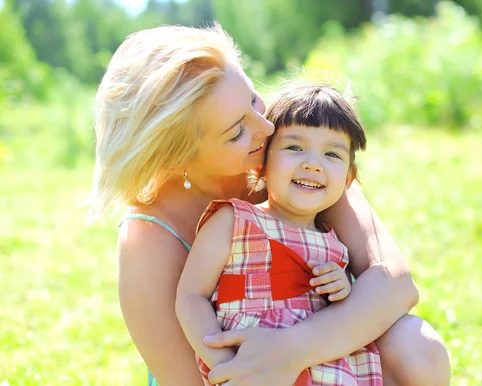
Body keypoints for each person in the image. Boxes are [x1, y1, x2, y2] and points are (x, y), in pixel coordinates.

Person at [90, 24, 450, 386]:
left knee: (416, 346)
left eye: (251, 98)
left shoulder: (299, 143)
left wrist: (291, 349)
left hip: (321, 360)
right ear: (177, 156)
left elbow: (395, 284)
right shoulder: (149, 240)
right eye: (236, 132)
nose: (265, 126)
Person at [177, 83, 383, 385]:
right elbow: (191, 296)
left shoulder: (335, 243)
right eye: (295, 148)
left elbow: (337, 322)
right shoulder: (234, 221)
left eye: (332, 154)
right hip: (250, 369)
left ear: (348, 178)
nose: (312, 164)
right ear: (262, 164)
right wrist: (225, 365)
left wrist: (342, 289)